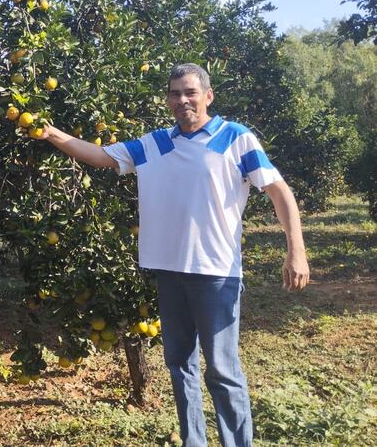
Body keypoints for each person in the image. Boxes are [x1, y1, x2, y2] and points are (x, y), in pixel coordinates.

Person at [39, 63, 309, 447]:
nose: (183, 100)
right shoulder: (155, 144)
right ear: (167, 100)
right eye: (175, 94)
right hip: (169, 270)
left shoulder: (236, 138)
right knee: (180, 364)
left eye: (190, 92)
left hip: (216, 273)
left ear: (208, 96)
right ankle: (193, 440)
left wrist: (295, 250)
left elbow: (279, 191)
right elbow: (99, 156)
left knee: (222, 370)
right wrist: (53, 134)